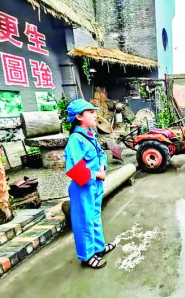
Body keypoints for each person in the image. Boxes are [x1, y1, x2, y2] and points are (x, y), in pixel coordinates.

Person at [64, 99, 115, 269]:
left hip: (95, 186)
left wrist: (102, 165)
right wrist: (97, 174)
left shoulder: (90, 135)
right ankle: (86, 256)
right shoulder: (75, 140)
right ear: (79, 116)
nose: (95, 115)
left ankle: (99, 248)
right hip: (82, 187)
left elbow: (101, 154)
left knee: (94, 217)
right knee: (84, 221)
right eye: (90, 112)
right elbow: (74, 170)